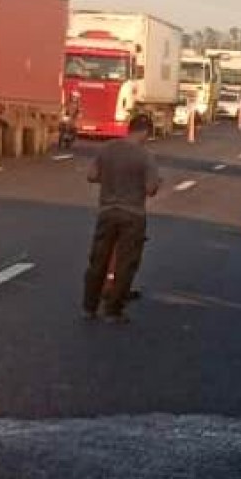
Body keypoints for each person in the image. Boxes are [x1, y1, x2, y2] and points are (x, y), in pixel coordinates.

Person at [81, 115, 160, 323]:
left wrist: (108, 180)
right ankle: (113, 310)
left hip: (107, 211)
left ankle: (89, 307)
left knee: (98, 259)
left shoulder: (107, 149)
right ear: (145, 132)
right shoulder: (145, 156)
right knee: (126, 263)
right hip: (132, 215)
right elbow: (151, 189)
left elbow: (91, 175)